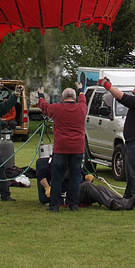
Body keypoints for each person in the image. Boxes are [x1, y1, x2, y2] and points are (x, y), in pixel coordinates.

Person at [99, 76, 135, 207]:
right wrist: (111, 87)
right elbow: (120, 98)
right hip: (132, 140)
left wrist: (108, 86)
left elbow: (125, 98)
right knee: (130, 170)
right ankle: (128, 196)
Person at [37, 84, 88, 212]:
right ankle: (73, 204)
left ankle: (54, 204)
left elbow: (44, 107)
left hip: (61, 147)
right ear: (74, 98)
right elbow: (83, 99)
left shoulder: (58, 108)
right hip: (77, 147)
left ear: (63, 98)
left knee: (57, 176)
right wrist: (80, 89)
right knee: (75, 176)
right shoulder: (82, 108)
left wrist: (41, 95)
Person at [36, 155, 135, 210]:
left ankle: (124, 203)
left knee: (100, 187)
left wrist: (86, 175)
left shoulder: (73, 164)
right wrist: (47, 187)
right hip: (68, 195)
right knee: (87, 186)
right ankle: (112, 204)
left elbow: (82, 173)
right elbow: (40, 174)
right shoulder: (54, 165)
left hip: (81, 191)